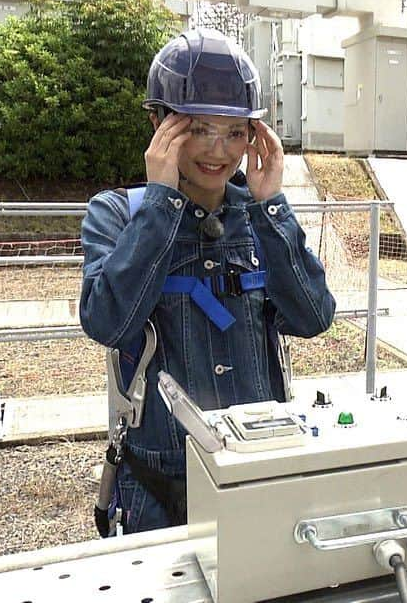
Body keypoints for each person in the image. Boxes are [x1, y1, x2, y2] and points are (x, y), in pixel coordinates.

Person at [80, 29, 336, 534]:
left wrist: (270, 206)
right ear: (159, 124)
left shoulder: (260, 216)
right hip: (159, 484)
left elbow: (313, 316)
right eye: (198, 129)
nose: (218, 150)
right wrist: (160, 204)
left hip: (259, 465)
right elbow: (108, 322)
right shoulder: (118, 214)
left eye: (235, 132)